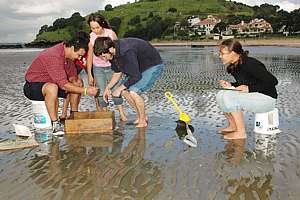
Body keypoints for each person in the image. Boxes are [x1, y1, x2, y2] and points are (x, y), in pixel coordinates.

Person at [24, 35, 99, 134]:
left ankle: (73, 115)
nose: (79, 58)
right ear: (72, 48)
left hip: (53, 84)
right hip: (33, 86)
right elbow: (63, 84)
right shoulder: (53, 55)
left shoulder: (68, 57)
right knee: (52, 87)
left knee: (77, 82)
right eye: (79, 55)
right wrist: (86, 91)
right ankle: (55, 124)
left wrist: (75, 83)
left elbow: (72, 76)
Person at [93, 37, 165, 128]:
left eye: (104, 56)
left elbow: (136, 76)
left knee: (134, 92)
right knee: (124, 91)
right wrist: (108, 88)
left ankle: (143, 121)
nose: (104, 60)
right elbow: (117, 72)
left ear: (111, 49)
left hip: (152, 66)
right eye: (101, 57)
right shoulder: (112, 52)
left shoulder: (127, 51)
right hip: (138, 68)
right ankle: (141, 116)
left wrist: (118, 89)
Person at [216, 39, 278, 140]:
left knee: (228, 97)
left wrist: (249, 88)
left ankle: (241, 133)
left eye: (222, 53)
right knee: (221, 94)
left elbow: (273, 81)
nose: (220, 56)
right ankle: (233, 126)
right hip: (255, 96)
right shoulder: (234, 66)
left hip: (267, 99)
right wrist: (231, 84)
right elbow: (244, 83)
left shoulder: (250, 64)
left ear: (233, 53)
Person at [87, 13, 127, 121]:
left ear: (102, 24)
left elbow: (118, 50)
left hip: (112, 67)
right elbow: (89, 57)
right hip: (98, 68)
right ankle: (105, 115)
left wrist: (121, 67)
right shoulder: (91, 36)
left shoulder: (110, 33)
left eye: (97, 27)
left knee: (115, 89)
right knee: (100, 91)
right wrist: (90, 74)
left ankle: (122, 114)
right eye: (92, 28)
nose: (95, 30)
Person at [59, 32, 90, 122]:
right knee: (71, 89)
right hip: (70, 70)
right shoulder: (75, 52)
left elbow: (88, 65)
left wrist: (90, 76)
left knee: (77, 86)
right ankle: (64, 114)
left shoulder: (85, 51)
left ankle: (73, 111)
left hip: (76, 71)